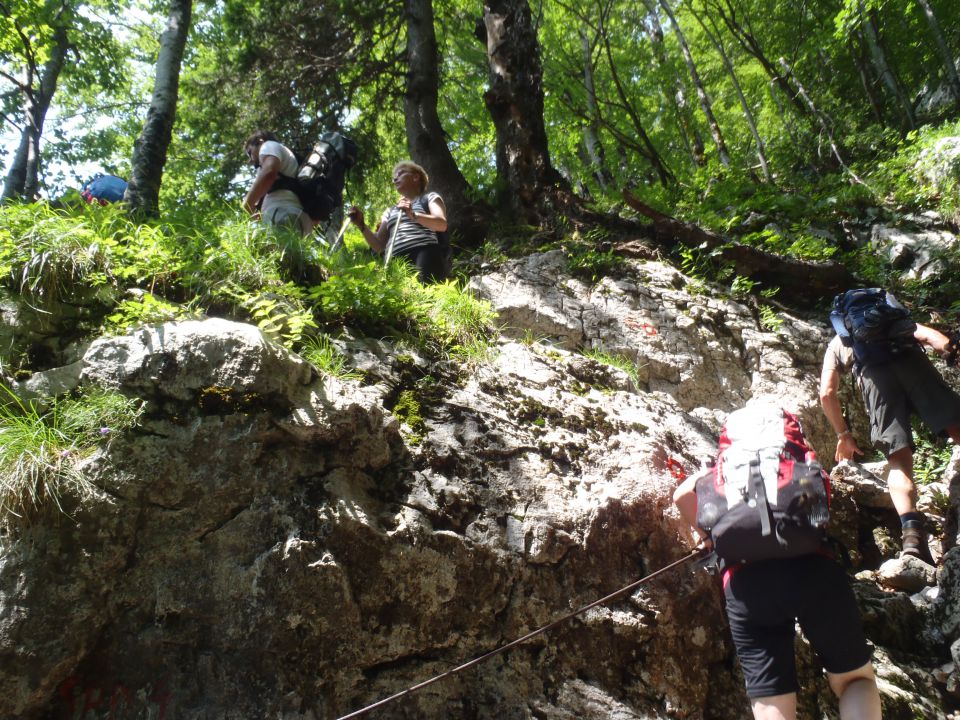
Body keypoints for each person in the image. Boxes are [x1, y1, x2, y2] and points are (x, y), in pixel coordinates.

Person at [672, 410, 882, 720]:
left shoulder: (719, 470)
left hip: (748, 586)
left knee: (772, 702)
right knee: (855, 679)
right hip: (814, 571)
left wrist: (708, 536)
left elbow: (681, 496)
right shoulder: (798, 460)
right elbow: (821, 505)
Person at [819, 320, 960, 563]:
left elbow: (826, 393)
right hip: (915, 366)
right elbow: (936, 340)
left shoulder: (839, 342)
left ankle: (913, 537)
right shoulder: (894, 321)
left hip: (876, 381)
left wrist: (844, 435)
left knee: (899, 460)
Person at [347, 160, 448, 283]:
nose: (395, 179)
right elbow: (379, 246)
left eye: (400, 174)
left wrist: (413, 214)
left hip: (424, 252)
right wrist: (361, 225)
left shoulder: (429, 198)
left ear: (416, 177)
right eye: (394, 177)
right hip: (394, 261)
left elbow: (441, 224)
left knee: (427, 295)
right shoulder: (390, 211)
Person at [241, 130, 314, 237]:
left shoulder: (268, 145)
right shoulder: (286, 158)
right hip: (290, 215)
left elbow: (269, 172)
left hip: (283, 215)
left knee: (285, 253)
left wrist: (247, 204)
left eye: (249, 152)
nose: (251, 159)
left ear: (259, 141)